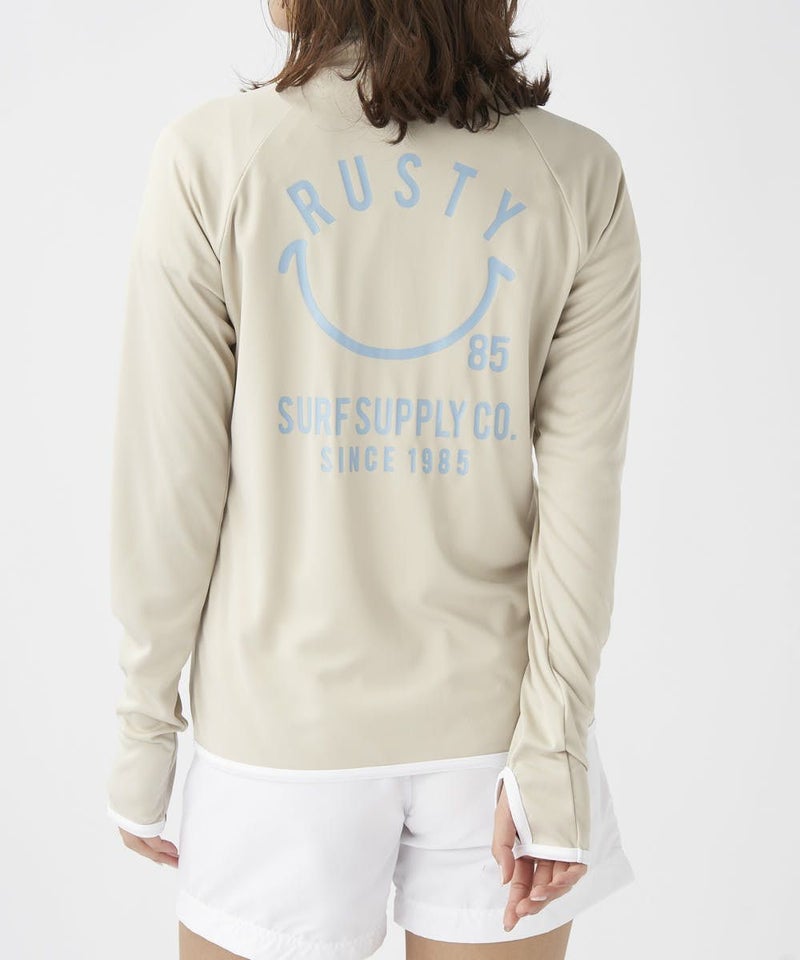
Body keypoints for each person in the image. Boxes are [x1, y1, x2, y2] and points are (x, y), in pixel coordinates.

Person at [105, 1, 642, 958]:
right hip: (498, 741)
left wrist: (147, 727)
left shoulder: (212, 160)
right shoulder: (576, 175)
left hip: (279, 736)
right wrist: (554, 750)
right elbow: (582, 500)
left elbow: (169, 489)